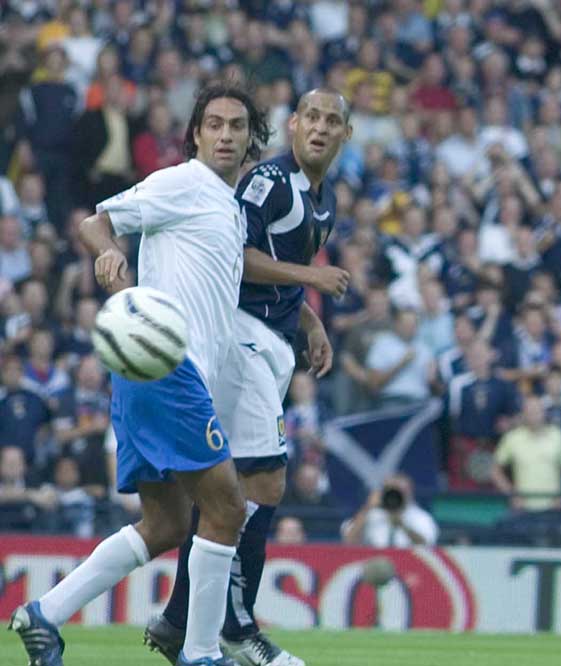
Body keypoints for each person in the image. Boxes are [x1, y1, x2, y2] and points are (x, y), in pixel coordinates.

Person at [9, 81, 271, 666]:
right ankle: (201, 653)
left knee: (168, 522)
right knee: (227, 507)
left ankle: (45, 615)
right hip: (163, 360)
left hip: (165, 372)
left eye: (237, 126)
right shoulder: (183, 183)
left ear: (252, 137)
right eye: (215, 125)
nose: (226, 135)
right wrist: (108, 250)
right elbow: (95, 221)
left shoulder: (230, 210)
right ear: (197, 135)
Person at [147, 89, 352, 666]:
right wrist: (308, 276)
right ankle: (236, 628)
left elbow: (279, 278)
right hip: (241, 337)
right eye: (311, 117)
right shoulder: (270, 182)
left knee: (231, 492)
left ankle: (180, 617)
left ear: (345, 136)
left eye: (332, 121)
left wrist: (310, 320)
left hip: (271, 341)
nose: (319, 127)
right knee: (260, 486)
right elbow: (234, 255)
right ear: (292, 126)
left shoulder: (322, 197)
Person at [341, 473, 439, 548]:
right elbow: (349, 541)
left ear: (410, 492)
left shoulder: (421, 517)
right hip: (374, 564)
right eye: (391, 491)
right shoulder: (372, 514)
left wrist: (403, 525)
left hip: (409, 565)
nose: (394, 496)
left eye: (400, 491)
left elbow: (427, 546)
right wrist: (367, 507)